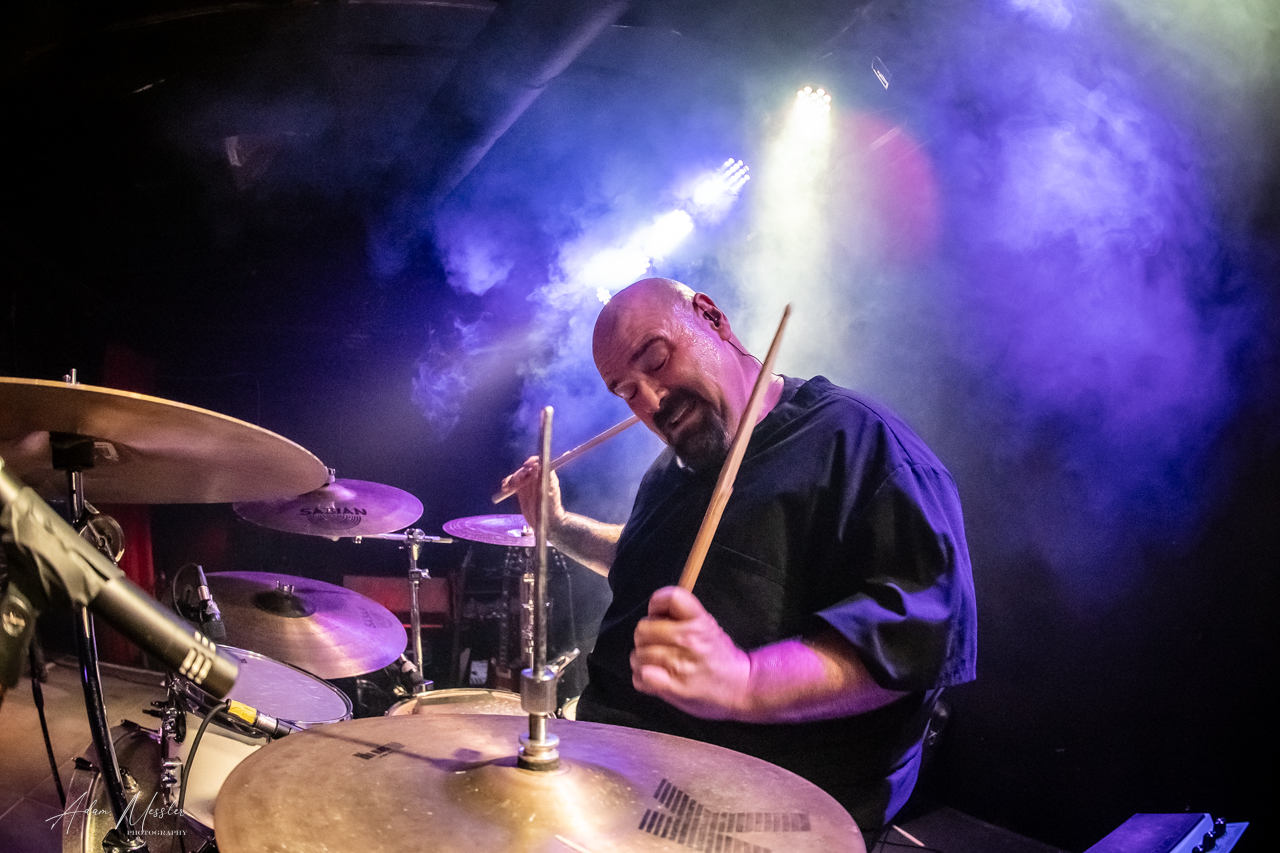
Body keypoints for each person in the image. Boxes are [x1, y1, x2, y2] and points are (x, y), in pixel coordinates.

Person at [502, 277, 976, 832]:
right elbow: (641, 558)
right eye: (626, 391)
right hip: (620, 779)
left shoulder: (860, 443)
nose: (649, 400)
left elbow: (912, 638)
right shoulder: (671, 473)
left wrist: (744, 682)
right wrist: (556, 527)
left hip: (759, 814)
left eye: (655, 360)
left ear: (712, 317)